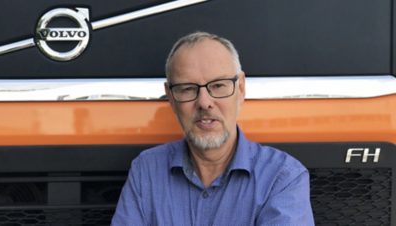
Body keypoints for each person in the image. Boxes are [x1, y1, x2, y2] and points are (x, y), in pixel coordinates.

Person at [111, 31, 315, 226]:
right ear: (171, 98)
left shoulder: (282, 178)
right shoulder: (146, 171)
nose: (204, 102)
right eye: (188, 88)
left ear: (241, 88)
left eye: (218, 85)